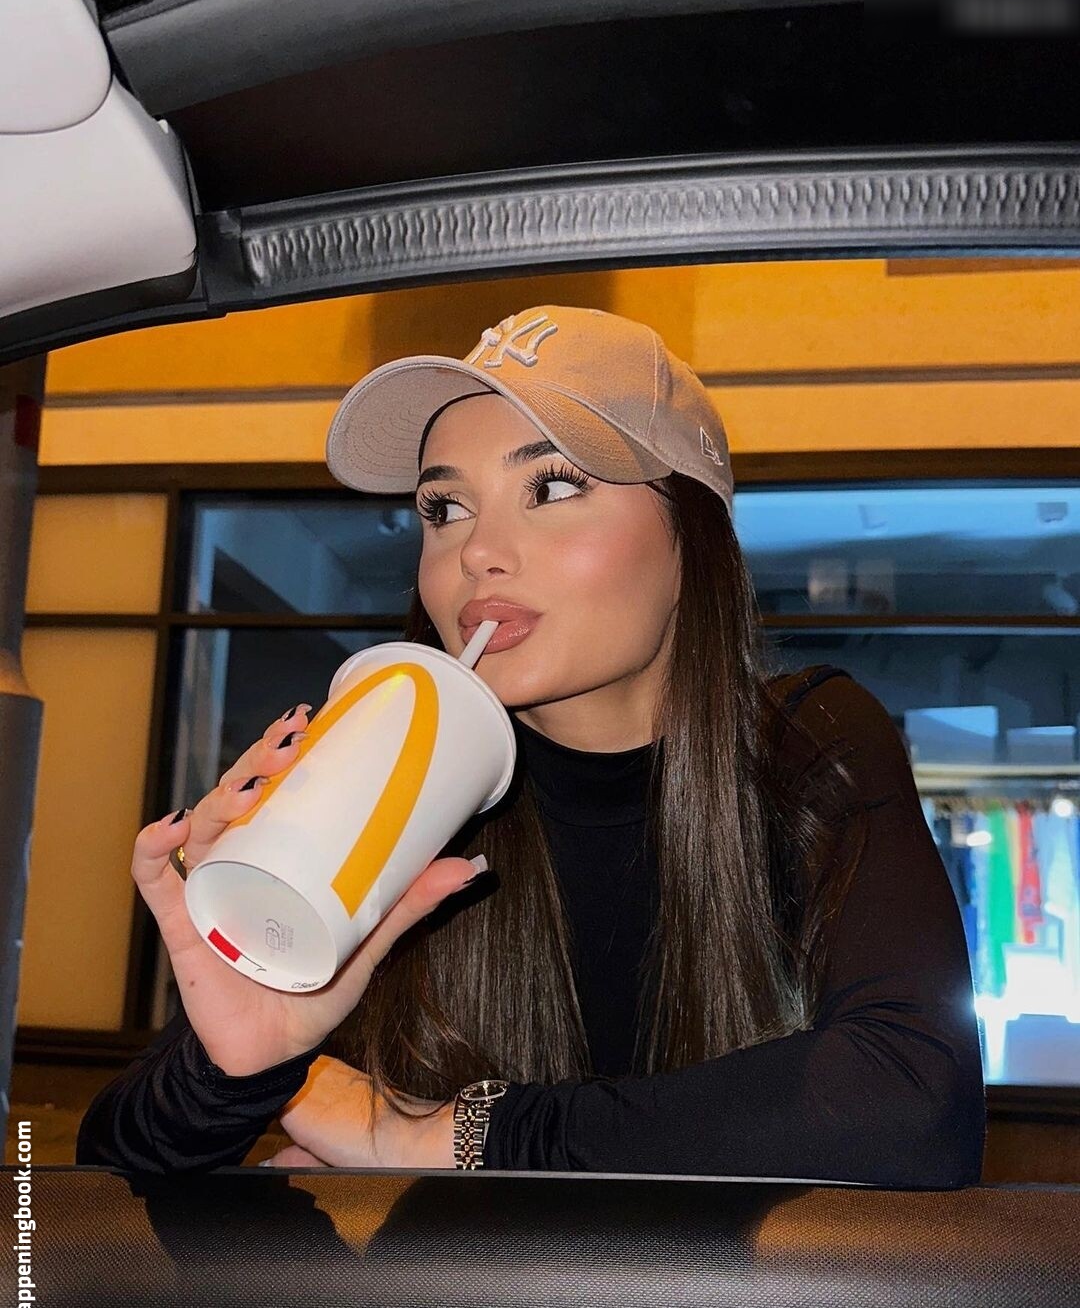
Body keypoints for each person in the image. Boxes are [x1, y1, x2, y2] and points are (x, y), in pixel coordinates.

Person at [77, 305, 986, 1183]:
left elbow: (909, 1103)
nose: (477, 551)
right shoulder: (390, 782)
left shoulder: (807, 742)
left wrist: (451, 1137)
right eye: (444, 507)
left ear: (691, 536)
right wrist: (240, 1060)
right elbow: (99, 1181)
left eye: (551, 486)